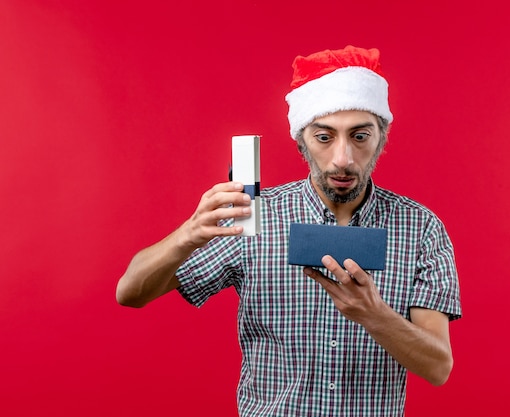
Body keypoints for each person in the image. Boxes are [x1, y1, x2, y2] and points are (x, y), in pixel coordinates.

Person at [116, 45, 462, 417]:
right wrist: (186, 235)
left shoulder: (420, 227)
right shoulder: (254, 217)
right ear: (301, 140)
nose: (342, 159)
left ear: (382, 137)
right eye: (324, 137)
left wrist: (375, 315)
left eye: (360, 136)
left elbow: (438, 367)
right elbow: (130, 293)